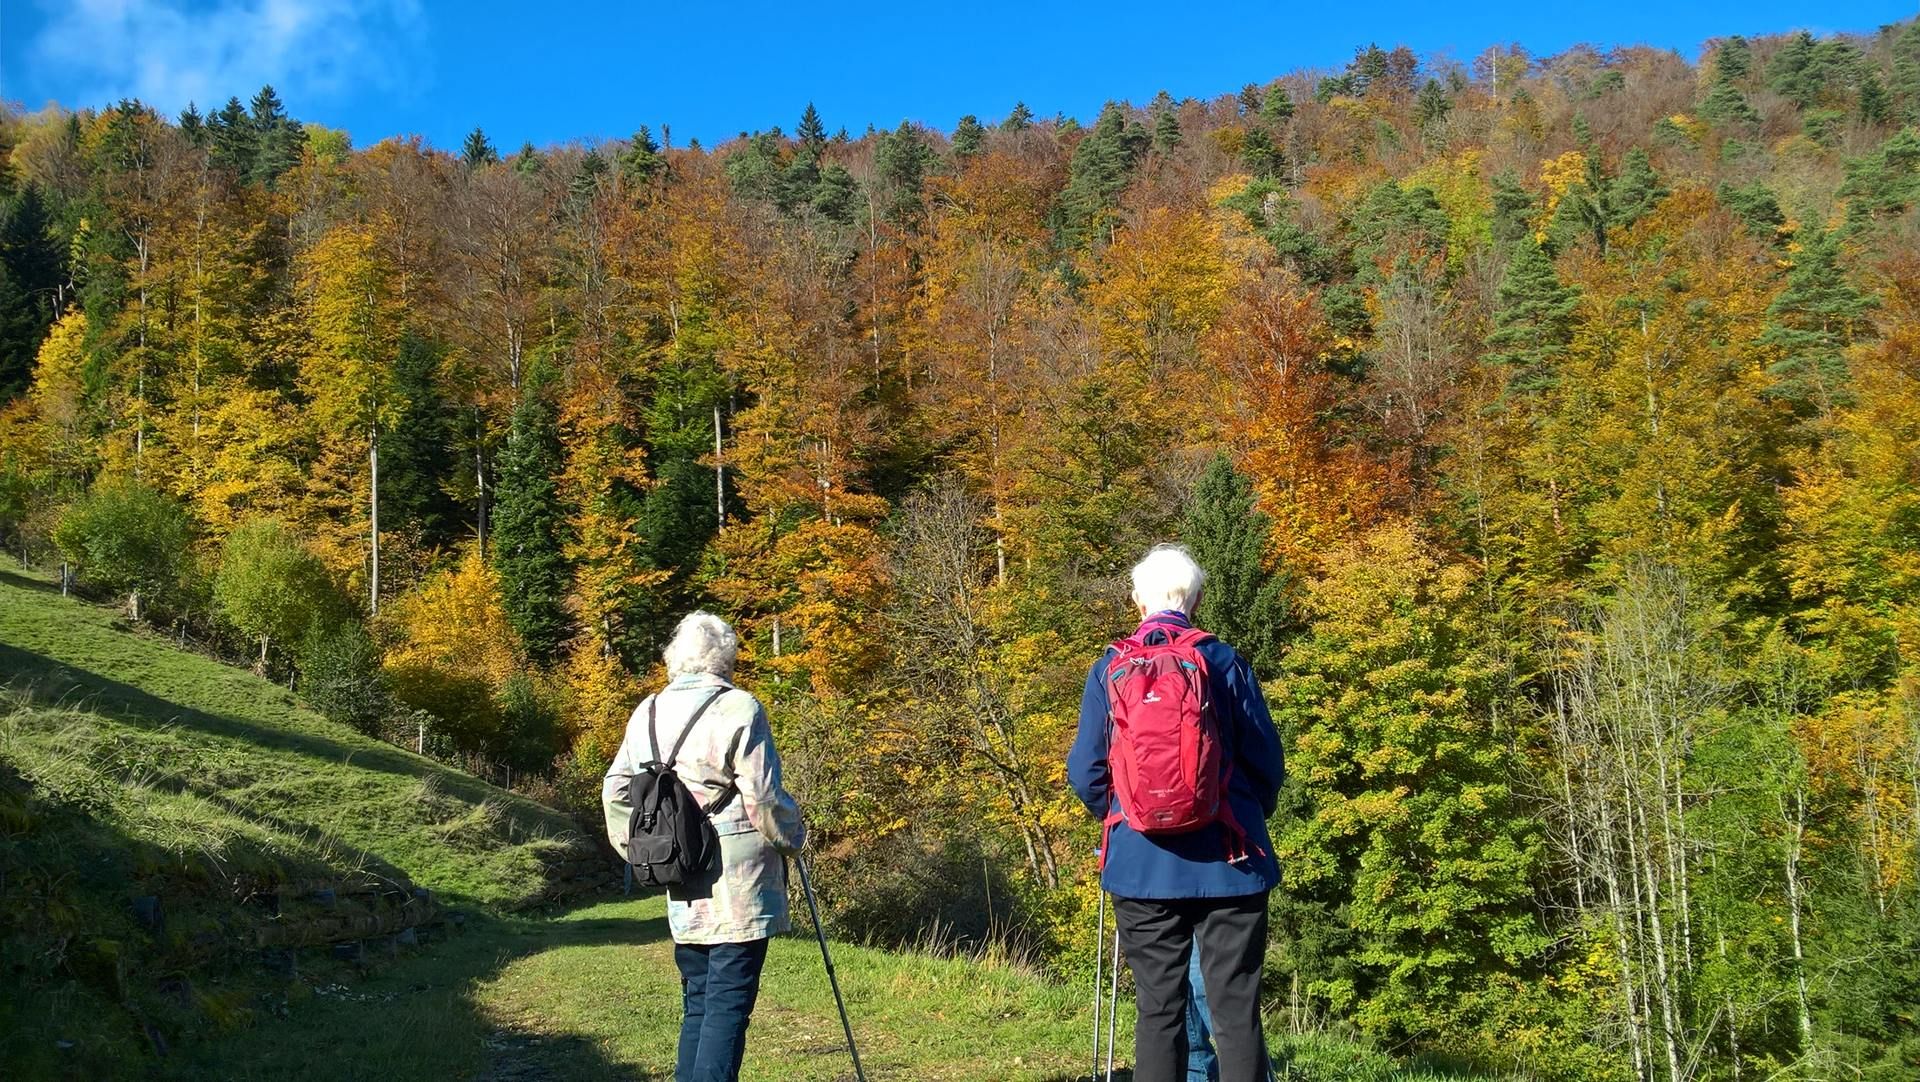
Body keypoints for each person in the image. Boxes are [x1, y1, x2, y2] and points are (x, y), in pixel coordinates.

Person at [1069, 544, 1285, 1082]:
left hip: (1141, 868)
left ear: (1138, 600)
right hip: (1231, 863)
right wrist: (1248, 816)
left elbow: (1086, 772)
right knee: (1236, 1010)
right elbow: (1266, 763)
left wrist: (1126, 817)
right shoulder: (1224, 661)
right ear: (1197, 599)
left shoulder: (1110, 668)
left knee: (1158, 1008)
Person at [602, 611, 805, 1082]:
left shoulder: (648, 710)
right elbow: (764, 797)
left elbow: (615, 789)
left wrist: (637, 849)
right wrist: (793, 840)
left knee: (698, 999)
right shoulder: (740, 708)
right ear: (726, 659)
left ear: (677, 658)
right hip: (739, 882)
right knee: (728, 1004)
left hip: (680, 875)